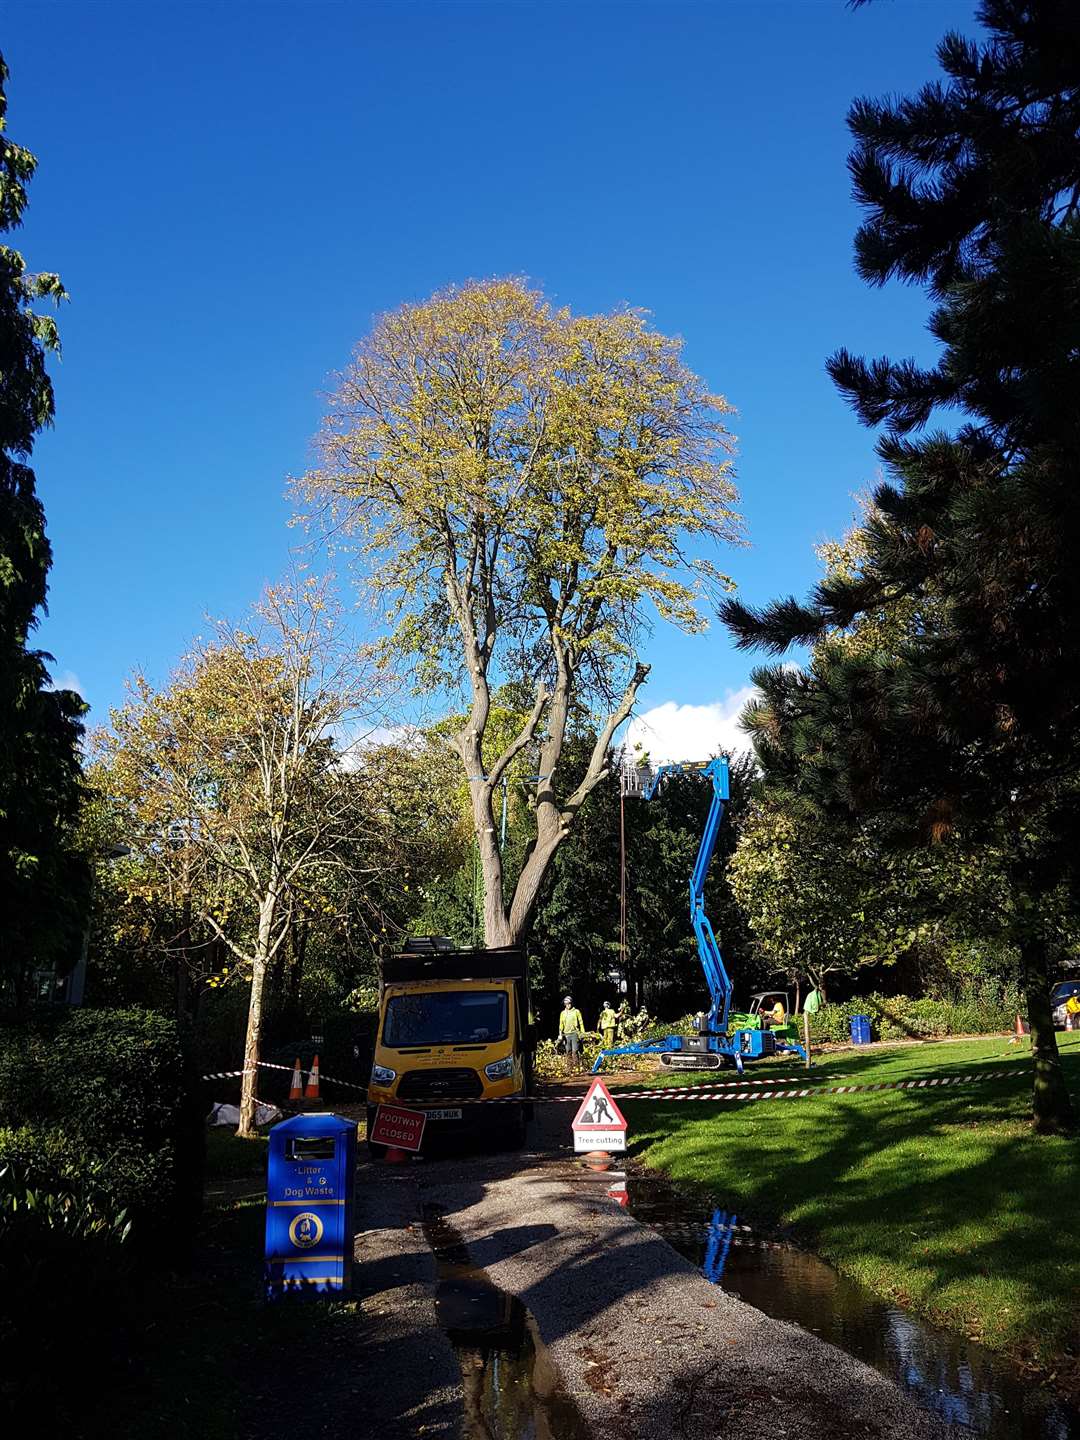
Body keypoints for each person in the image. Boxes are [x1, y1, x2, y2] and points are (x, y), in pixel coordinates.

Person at [557, 995, 585, 1074]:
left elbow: (581, 1022)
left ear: (571, 1003)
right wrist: (560, 1034)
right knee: (568, 1050)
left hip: (574, 1033)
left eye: (569, 1003)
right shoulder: (562, 1013)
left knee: (575, 1050)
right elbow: (561, 1024)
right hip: (566, 1034)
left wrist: (582, 1033)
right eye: (566, 1004)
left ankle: (576, 1067)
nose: (568, 1005)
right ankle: (569, 1068)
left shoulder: (576, 1011)